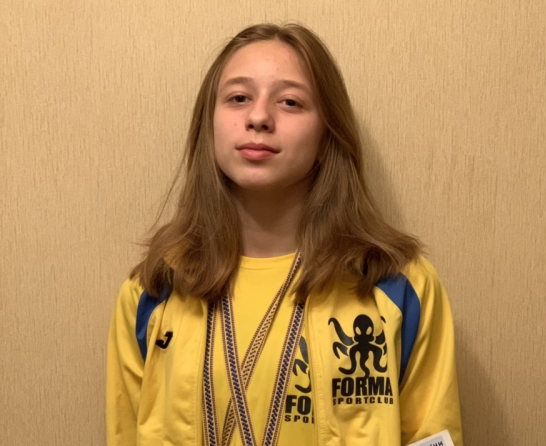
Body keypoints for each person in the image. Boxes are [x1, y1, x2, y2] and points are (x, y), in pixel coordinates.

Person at [106, 23, 463, 446]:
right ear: (209, 124)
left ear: (328, 132)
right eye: (238, 98)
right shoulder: (152, 291)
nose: (258, 117)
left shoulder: (399, 286)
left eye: (290, 102)